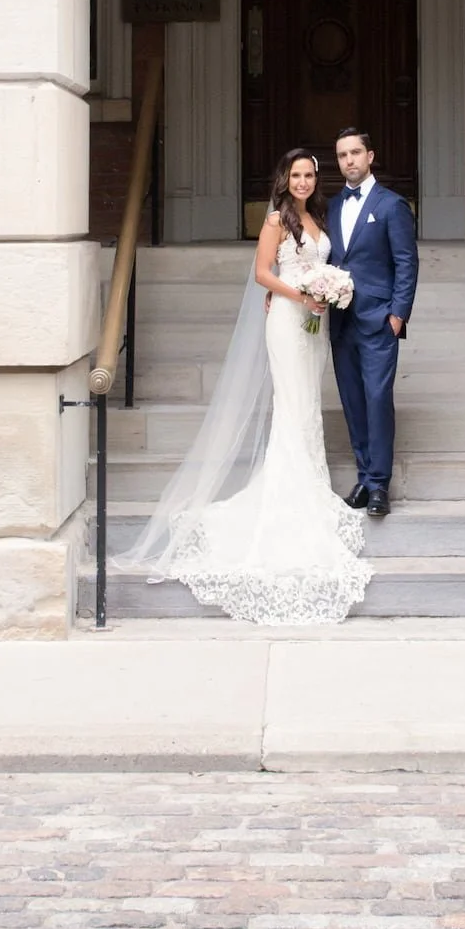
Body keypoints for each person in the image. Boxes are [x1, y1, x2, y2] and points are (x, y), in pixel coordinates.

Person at [112, 148, 372, 624]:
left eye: (310, 175)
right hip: (289, 318)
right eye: (296, 174)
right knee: (293, 404)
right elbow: (262, 274)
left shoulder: (318, 217)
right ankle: (291, 494)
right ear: (285, 178)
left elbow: (321, 265)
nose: (303, 181)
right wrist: (305, 295)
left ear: (317, 179)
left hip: (313, 325)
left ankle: (312, 485)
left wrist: (326, 293)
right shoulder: (277, 218)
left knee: (308, 403)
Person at [327, 126, 419, 519]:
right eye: (342, 155)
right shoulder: (332, 205)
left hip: (379, 320)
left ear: (370, 156)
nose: (349, 160)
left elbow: (406, 262)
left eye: (355, 153)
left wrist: (397, 314)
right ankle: (364, 476)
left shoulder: (391, 205)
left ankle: (380, 484)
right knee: (352, 401)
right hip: (340, 320)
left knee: (377, 399)